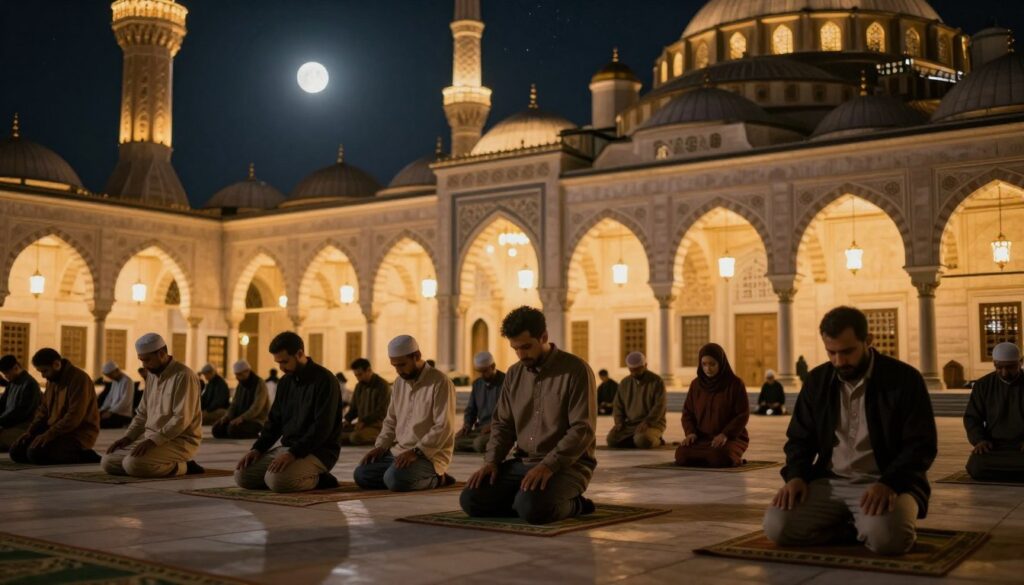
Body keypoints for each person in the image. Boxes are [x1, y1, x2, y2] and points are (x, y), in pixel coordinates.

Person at [763, 306, 937, 556]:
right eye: (831, 353)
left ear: (868, 341)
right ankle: (850, 528)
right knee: (777, 527)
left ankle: (865, 525)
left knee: (887, 540)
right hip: (830, 482)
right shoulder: (817, 381)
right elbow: (799, 439)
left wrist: (889, 482)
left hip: (888, 482)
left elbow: (921, 445)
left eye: (847, 352)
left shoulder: (903, 380)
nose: (839, 361)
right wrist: (796, 476)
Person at [460, 306, 597, 525]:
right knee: (471, 499)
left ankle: (577, 504)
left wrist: (548, 465)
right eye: (515, 349)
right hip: (522, 463)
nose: (521, 355)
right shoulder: (514, 374)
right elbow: (503, 424)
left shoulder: (575, 370)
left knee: (532, 508)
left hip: (567, 466)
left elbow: (582, 429)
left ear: (543, 337)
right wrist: (491, 461)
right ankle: (525, 499)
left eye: (526, 347)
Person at [235, 332, 342, 493]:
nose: (281, 368)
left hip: (319, 451)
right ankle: (290, 474)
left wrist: (294, 453)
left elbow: (322, 428)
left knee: (277, 481)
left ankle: (319, 478)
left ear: (299, 354)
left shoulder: (325, 380)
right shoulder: (285, 382)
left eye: (285, 362)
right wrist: (257, 449)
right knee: (242, 475)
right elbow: (274, 421)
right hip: (288, 449)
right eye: (278, 363)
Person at [353, 335, 456, 491]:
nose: (398, 370)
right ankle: (399, 476)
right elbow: (391, 420)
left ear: (417, 356)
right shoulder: (399, 383)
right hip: (399, 453)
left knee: (394, 479)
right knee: (361, 474)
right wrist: (381, 447)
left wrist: (416, 451)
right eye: (394, 366)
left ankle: (437, 478)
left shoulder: (440, 382)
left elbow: (443, 426)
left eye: (402, 365)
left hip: (428, 455)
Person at [102, 334, 205, 477]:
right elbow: (142, 414)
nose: (144, 365)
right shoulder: (151, 375)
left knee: (133, 464)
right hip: (151, 439)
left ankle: (184, 465)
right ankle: (158, 462)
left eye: (147, 360)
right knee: (108, 461)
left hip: (179, 441)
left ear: (161, 354)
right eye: (141, 360)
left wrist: (153, 441)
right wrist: (128, 437)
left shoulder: (184, 376)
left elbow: (181, 418)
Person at [10, 349, 100, 465]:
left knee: (35, 454)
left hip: (77, 434)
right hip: (54, 431)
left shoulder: (79, 379)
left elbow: (74, 417)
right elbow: (43, 410)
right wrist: (31, 432)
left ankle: (85, 454)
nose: (43, 376)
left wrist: (49, 434)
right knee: (17, 451)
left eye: (45, 371)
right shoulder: (51, 380)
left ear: (56, 365)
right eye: (40, 372)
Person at [675, 343, 749, 467]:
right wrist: (691, 433)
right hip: (701, 438)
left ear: (721, 363)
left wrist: (725, 434)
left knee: (718, 457)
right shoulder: (696, 385)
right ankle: (707, 457)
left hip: (730, 438)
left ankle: (732, 458)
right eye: (704, 364)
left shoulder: (735, 384)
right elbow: (688, 412)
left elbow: (742, 415)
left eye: (712, 364)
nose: (708, 369)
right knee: (681, 455)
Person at [963, 342, 1024, 482]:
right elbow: (972, 417)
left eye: (1010, 367)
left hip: (1021, 446)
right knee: (976, 466)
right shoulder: (983, 385)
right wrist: (980, 440)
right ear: (994, 364)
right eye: (999, 367)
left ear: (1020, 363)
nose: (1004, 372)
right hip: (994, 446)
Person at [606, 352, 666, 449]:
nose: (634, 373)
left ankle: (657, 440)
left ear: (645, 366)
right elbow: (618, 405)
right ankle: (635, 439)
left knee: (642, 440)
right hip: (630, 425)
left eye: (637, 370)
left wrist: (647, 422)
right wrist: (619, 422)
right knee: (612, 440)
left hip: (652, 424)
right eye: (632, 370)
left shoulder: (657, 381)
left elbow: (660, 406)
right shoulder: (625, 383)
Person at [456, 351, 505, 453]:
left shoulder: (506, 382)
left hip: (499, 429)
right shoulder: (477, 384)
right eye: (479, 371)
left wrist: (493, 425)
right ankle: (476, 444)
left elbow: (510, 412)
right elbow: (471, 409)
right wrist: (467, 425)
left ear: (493, 366)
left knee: (479, 444)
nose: (482, 375)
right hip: (481, 429)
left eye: (484, 371)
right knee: (454, 442)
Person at [212, 360, 270, 440]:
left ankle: (258, 433)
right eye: (236, 375)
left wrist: (242, 418)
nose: (237, 377)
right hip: (240, 419)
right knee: (217, 429)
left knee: (233, 430)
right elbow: (234, 404)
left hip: (256, 420)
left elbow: (257, 407)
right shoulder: (241, 384)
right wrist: (227, 416)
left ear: (247, 371)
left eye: (239, 374)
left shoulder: (260, 383)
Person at [341, 358, 391, 446]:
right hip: (361, 426)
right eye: (356, 375)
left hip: (377, 427)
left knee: (355, 437)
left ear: (369, 370)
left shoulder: (383, 386)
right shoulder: (359, 386)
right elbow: (354, 409)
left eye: (360, 375)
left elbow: (382, 411)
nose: (358, 378)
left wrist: (364, 421)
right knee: (335, 434)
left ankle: (383, 438)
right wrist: (347, 420)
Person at [0, 355, 42, 452]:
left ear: (16, 368)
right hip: (9, 425)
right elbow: (2, 405)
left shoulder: (30, 384)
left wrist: (1, 422)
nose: (6, 376)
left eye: (7, 373)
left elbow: (21, 413)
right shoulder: (12, 383)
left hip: (23, 427)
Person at [98, 361, 135, 428]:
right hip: (112, 412)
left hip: (123, 414)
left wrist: (111, 412)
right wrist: (102, 409)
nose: (110, 377)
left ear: (117, 370)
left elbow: (125, 401)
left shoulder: (128, 381)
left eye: (110, 375)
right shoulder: (115, 381)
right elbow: (109, 398)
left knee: (100, 423)